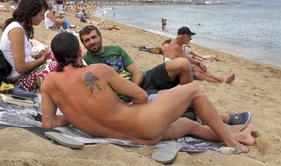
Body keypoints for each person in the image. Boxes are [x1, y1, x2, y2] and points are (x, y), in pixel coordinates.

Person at [41, 32, 254, 152]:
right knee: (194, 90)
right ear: (80, 51)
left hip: (133, 139)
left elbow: (49, 123)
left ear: (56, 58)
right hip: (144, 127)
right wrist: (136, 107)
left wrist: (74, 116)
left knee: (189, 125)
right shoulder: (97, 70)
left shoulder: (49, 84)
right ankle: (231, 143)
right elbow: (141, 96)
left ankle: (238, 135)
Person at [79, 25, 250, 125]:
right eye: (87, 40)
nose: (92, 42)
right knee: (177, 98)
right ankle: (224, 118)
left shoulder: (116, 49)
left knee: (182, 64)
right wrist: (133, 94)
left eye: (94, 37)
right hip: (133, 96)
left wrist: (134, 88)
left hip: (143, 80)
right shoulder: (87, 62)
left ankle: (194, 102)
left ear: (100, 36)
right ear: (83, 44)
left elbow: (136, 71)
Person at [0, 0, 57, 91]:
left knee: (58, 56)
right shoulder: (16, 30)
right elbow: (20, 68)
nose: (42, 19)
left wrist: (37, 57)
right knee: (58, 64)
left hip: (23, 74)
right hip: (19, 80)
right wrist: (41, 59)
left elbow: (20, 59)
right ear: (31, 13)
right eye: (41, 15)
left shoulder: (20, 27)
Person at [163, 27, 235, 83]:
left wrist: (198, 63)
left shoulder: (176, 44)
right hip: (170, 74)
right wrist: (197, 64)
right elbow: (186, 59)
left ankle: (221, 79)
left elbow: (186, 57)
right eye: (189, 36)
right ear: (184, 36)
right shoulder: (176, 47)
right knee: (198, 73)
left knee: (197, 68)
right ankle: (221, 81)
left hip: (172, 70)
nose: (191, 39)